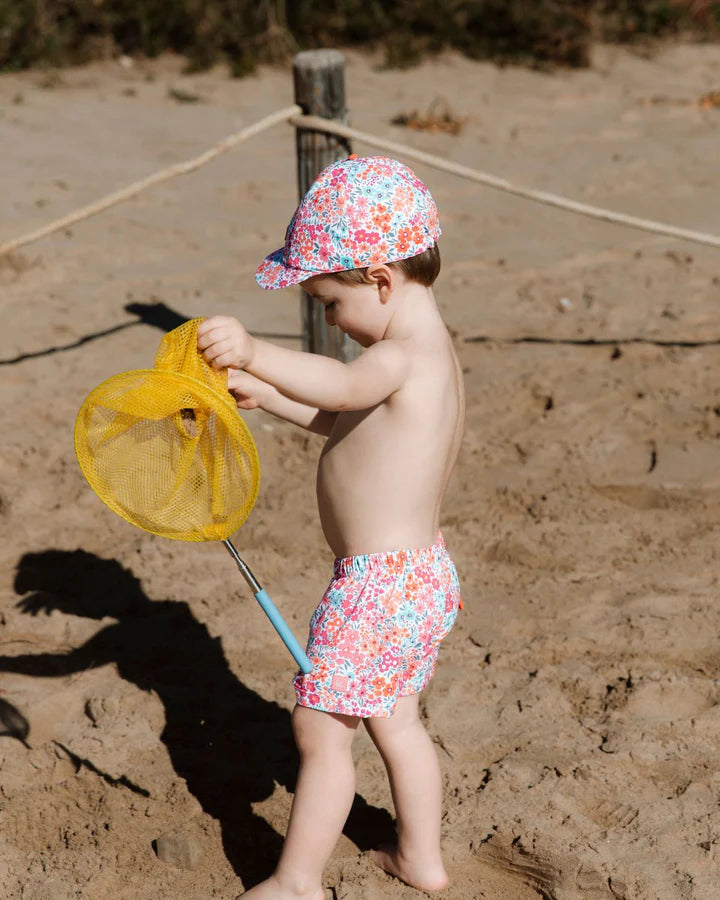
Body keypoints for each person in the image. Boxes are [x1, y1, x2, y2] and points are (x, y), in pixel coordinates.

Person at [198, 155, 464, 900]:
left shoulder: (396, 356)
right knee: (397, 724)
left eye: (331, 305)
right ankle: (421, 859)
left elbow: (345, 385)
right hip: (415, 575)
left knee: (320, 733)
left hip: (377, 588)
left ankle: (297, 881)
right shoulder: (427, 355)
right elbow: (341, 415)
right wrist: (265, 393)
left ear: (380, 279)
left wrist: (256, 351)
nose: (333, 322)